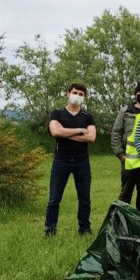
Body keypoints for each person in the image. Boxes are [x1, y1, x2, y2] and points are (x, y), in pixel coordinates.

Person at [44, 83, 96, 236]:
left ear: (84, 97)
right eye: (75, 92)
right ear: (67, 94)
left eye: (81, 94)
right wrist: (80, 131)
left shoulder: (87, 117)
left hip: (82, 161)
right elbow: (55, 131)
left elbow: (91, 137)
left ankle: (84, 229)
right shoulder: (57, 113)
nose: (77, 96)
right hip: (61, 160)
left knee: (84, 198)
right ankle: (50, 230)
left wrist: (64, 132)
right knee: (54, 199)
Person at [111, 80, 140, 204]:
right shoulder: (125, 111)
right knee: (126, 193)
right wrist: (120, 155)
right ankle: (123, 221)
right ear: (135, 93)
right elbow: (116, 133)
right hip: (128, 160)